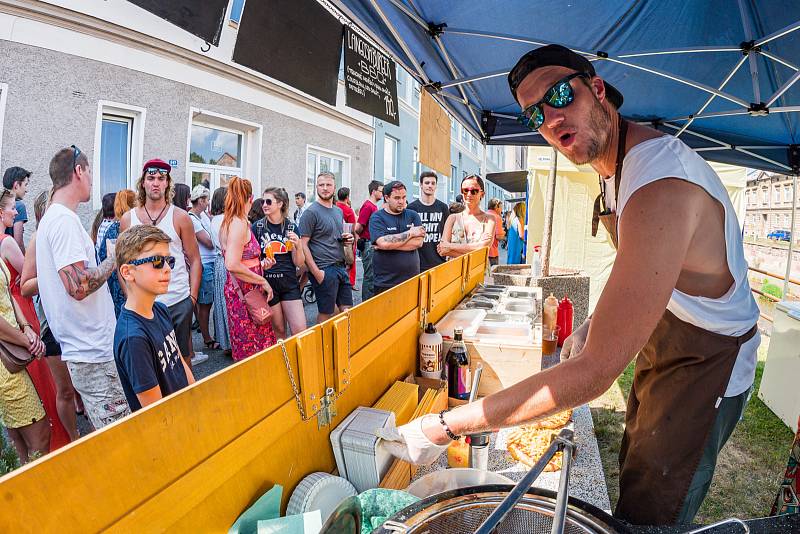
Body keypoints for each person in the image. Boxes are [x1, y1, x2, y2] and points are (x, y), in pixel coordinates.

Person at [380, 44, 762, 527]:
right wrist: (592, 326)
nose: (550, 117)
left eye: (560, 94)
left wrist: (444, 425)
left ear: (598, 90)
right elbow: (637, 268)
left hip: (711, 358)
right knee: (635, 465)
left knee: (653, 506)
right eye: (535, 113)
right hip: (664, 337)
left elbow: (596, 375)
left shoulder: (661, 183)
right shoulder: (614, 169)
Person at [36, 146, 130, 429]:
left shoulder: (54, 218)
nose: (91, 179)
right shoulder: (63, 221)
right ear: (78, 171)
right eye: (89, 172)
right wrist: (114, 259)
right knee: (119, 435)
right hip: (92, 352)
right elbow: (78, 287)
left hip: (86, 350)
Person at [0, 188, 71, 450]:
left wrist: (27, 328)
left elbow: (7, 290)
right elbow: (24, 278)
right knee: (36, 427)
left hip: (16, 318)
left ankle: (22, 471)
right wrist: (26, 337)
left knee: (20, 423)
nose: (16, 211)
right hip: (11, 331)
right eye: (12, 207)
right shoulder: (7, 242)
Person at [120, 160, 203, 368]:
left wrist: (191, 299)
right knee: (152, 364)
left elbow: (194, 260)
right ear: (143, 183)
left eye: (161, 178)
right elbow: (122, 264)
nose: (156, 183)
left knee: (183, 360)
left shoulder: (181, 217)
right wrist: (130, 296)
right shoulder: (128, 220)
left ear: (167, 184)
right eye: (151, 178)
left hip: (177, 301)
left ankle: (187, 399)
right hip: (143, 305)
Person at [113, 224, 195, 412]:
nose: (167, 269)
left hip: (186, 413)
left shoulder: (160, 309)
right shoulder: (133, 338)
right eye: (157, 261)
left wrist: (195, 396)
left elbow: (180, 362)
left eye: (169, 261)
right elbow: (156, 410)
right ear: (127, 272)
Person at [21, 191, 81, 442]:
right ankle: (74, 438)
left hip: (75, 322)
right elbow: (25, 286)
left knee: (81, 384)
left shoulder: (68, 231)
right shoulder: (37, 238)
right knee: (65, 390)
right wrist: (57, 273)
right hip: (53, 327)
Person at [219, 177, 276, 361]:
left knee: (247, 342)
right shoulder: (238, 223)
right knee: (254, 345)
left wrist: (261, 265)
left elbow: (241, 259)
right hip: (246, 291)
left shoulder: (230, 221)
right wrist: (263, 280)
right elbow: (232, 264)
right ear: (250, 198)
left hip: (242, 289)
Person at [0, 250, 48, 463]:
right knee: (39, 435)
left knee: (21, 436)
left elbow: (7, 296)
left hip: (13, 349)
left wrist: (26, 327)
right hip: (6, 362)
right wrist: (26, 340)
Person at [299, 172, 354, 323]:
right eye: (321, 185)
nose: (325, 188)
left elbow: (336, 237)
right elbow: (303, 244)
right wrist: (316, 273)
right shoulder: (310, 212)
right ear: (316, 187)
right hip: (324, 269)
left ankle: (341, 345)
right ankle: (321, 346)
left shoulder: (338, 211)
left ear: (334, 187)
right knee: (326, 315)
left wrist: (348, 240)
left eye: (328, 185)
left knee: (346, 312)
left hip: (341, 268)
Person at [253, 187, 306, 339]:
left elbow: (299, 262)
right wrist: (262, 263)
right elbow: (252, 259)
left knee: (300, 331)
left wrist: (299, 246)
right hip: (269, 286)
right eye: (263, 201)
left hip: (289, 283)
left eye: (268, 201)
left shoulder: (291, 227)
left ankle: (298, 363)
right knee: (279, 331)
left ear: (280, 204)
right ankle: (285, 363)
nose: (264, 205)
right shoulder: (257, 228)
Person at [369, 181, 424, 295]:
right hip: (386, 282)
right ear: (387, 198)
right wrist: (410, 233)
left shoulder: (413, 215)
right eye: (397, 198)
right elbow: (383, 243)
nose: (401, 201)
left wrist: (388, 245)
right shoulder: (377, 217)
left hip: (411, 279)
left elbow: (418, 243)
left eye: (404, 197)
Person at [188, 185, 218, 351]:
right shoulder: (192, 218)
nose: (208, 203)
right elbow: (209, 242)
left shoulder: (202, 216)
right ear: (200, 200)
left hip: (209, 263)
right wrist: (217, 239)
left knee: (206, 303)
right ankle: (207, 338)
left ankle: (207, 334)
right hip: (205, 264)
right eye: (206, 200)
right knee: (205, 303)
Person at [437, 175, 495, 259]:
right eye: (465, 190)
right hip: (454, 270)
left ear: (482, 194)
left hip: (480, 271)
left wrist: (450, 247)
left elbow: (483, 249)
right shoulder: (452, 218)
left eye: (474, 191)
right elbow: (442, 249)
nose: (469, 194)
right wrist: (476, 249)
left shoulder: (489, 219)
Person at [98, 189, 137, 317]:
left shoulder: (113, 227)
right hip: (125, 287)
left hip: (116, 285)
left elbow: (102, 254)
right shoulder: (124, 227)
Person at [408, 171, 449, 272]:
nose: (430, 185)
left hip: (439, 261)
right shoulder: (411, 208)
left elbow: (447, 233)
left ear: (436, 186)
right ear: (421, 185)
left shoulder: (443, 207)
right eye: (427, 183)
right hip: (418, 262)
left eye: (433, 183)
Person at [209, 187, 231, 354]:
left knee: (220, 302)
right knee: (229, 301)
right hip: (226, 260)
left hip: (218, 262)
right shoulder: (225, 220)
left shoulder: (214, 219)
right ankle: (232, 341)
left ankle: (225, 341)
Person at [354, 180, 383, 299]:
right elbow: (358, 227)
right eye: (381, 191)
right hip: (368, 245)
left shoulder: (373, 206)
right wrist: (362, 238)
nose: (382, 193)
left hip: (371, 244)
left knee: (372, 276)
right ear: (373, 191)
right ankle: (366, 304)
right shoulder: (368, 206)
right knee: (369, 277)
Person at [2, 166, 30, 253]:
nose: (26, 190)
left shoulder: (2, 203)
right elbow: (19, 242)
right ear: (16, 185)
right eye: (25, 185)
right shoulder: (19, 206)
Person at [336, 187, 358, 289]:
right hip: (347, 238)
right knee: (350, 261)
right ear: (347, 197)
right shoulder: (348, 210)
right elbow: (353, 228)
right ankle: (351, 283)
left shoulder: (334, 207)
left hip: (335, 238)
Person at [486, 198, 506, 267]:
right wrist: (504, 232)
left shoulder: (484, 215)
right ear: (496, 207)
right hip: (492, 252)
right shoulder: (497, 217)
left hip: (482, 251)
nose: (501, 209)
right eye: (501, 207)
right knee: (493, 275)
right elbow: (499, 237)